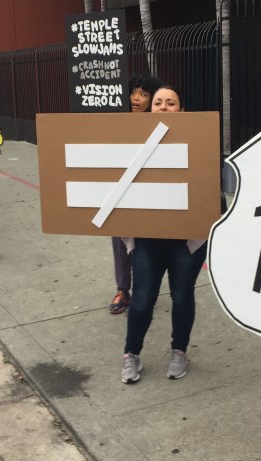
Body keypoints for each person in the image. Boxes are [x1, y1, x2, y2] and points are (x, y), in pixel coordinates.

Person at [120, 85, 208, 383]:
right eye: (158, 102)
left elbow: (209, 187)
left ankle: (179, 351)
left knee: (182, 296)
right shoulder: (130, 139)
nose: (164, 106)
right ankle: (131, 355)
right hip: (147, 239)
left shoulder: (199, 139)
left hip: (185, 242)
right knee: (143, 299)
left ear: (181, 111)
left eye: (171, 102)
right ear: (150, 108)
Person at [109, 74, 163, 314]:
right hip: (119, 191)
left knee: (145, 244)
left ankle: (143, 292)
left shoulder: (159, 125)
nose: (136, 98)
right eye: (133, 92)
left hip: (149, 193)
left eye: (143, 94)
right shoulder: (117, 121)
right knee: (119, 241)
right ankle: (123, 290)